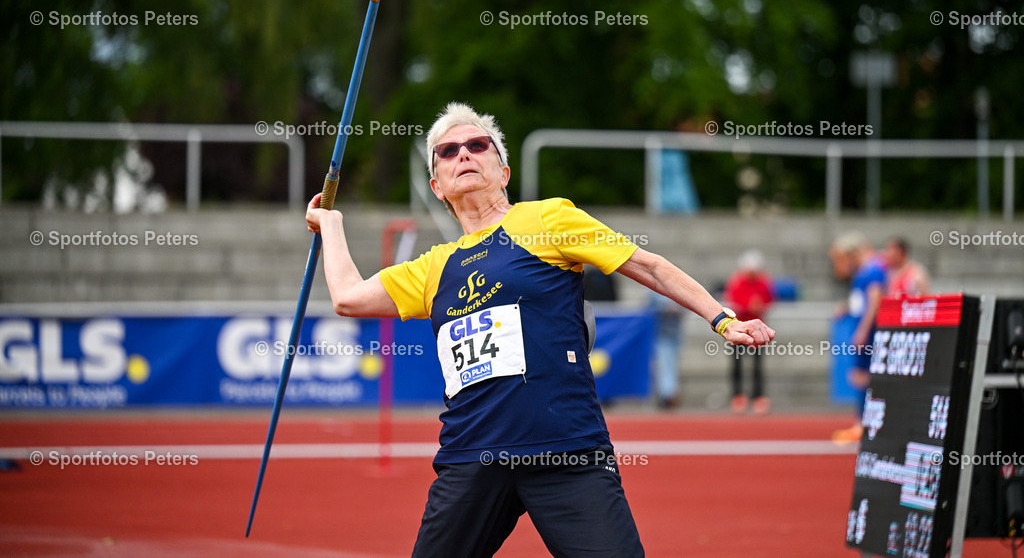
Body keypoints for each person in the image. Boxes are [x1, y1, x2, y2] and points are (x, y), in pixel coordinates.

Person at [305, 103, 776, 557]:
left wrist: (722, 318)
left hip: (566, 450)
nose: (464, 154)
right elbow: (348, 297)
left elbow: (647, 266)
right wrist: (331, 223)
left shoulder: (547, 218)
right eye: (448, 151)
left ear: (504, 172)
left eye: (478, 145)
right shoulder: (433, 267)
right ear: (437, 185)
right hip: (473, 457)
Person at [828, 231, 886, 444]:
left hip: (869, 331)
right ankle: (862, 423)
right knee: (860, 376)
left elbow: (874, 301)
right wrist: (847, 308)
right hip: (863, 327)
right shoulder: (865, 270)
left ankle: (864, 424)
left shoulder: (873, 269)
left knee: (863, 377)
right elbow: (862, 301)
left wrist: (863, 329)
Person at [724, 250, 774, 414]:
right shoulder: (737, 282)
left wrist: (760, 306)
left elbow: (769, 299)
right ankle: (738, 395)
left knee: (757, 366)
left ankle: (758, 396)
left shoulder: (763, 282)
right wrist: (748, 306)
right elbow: (733, 302)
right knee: (737, 364)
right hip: (738, 328)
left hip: (757, 330)